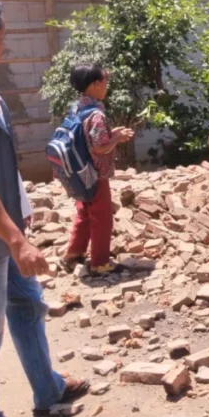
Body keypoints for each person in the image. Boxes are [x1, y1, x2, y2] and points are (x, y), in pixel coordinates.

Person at [0, 0, 88, 417]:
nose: (5, 47)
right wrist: (16, 241)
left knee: (28, 305)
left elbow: (0, 163)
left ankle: (47, 387)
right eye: (0, 39)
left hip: (6, 231)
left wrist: (21, 213)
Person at [60, 64, 134, 275]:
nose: (107, 86)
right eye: (105, 81)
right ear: (94, 84)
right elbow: (99, 147)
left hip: (79, 172)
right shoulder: (97, 115)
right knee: (102, 218)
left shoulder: (78, 108)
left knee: (84, 212)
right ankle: (100, 263)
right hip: (96, 174)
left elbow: (88, 139)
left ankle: (72, 255)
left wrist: (114, 133)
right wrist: (117, 138)